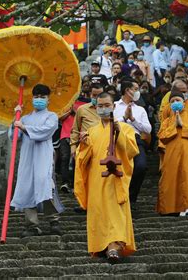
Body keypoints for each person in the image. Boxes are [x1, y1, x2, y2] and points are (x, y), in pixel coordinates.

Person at [74, 92, 139, 262]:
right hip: (97, 179)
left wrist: (119, 135)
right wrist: (84, 144)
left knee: (115, 212)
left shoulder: (126, 128)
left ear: (114, 106)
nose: (103, 109)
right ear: (96, 108)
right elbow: (83, 160)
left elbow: (132, 152)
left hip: (115, 179)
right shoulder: (91, 131)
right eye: (100, 106)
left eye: (107, 105)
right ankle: (102, 246)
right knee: (99, 212)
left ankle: (114, 246)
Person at [10, 84, 64, 237]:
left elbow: (45, 132)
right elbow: (14, 137)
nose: (39, 99)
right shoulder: (25, 118)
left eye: (42, 97)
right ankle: (32, 225)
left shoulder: (51, 116)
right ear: (32, 98)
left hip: (43, 156)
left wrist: (24, 128)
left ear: (48, 100)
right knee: (26, 186)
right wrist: (16, 118)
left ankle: (53, 220)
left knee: (44, 184)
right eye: (36, 97)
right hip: (27, 156)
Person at [157, 91, 188, 216]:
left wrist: (183, 125)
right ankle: (171, 208)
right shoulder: (166, 121)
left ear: (184, 102)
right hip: (171, 153)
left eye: (178, 100)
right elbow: (161, 136)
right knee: (171, 177)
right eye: (172, 101)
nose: (175, 103)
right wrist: (174, 126)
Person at [114, 80, 152, 209]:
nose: (137, 91)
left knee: (141, 166)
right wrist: (124, 118)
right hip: (118, 139)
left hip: (135, 139)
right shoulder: (114, 106)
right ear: (127, 90)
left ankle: (131, 196)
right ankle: (119, 196)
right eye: (135, 88)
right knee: (119, 169)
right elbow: (108, 123)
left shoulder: (140, 109)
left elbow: (148, 129)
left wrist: (133, 120)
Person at [58, 97, 88, 193]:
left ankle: (75, 183)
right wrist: (69, 112)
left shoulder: (84, 104)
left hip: (79, 135)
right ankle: (65, 182)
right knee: (65, 158)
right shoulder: (66, 103)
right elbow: (59, 118)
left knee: (77, 159)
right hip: (65, 135)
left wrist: (77, 113)